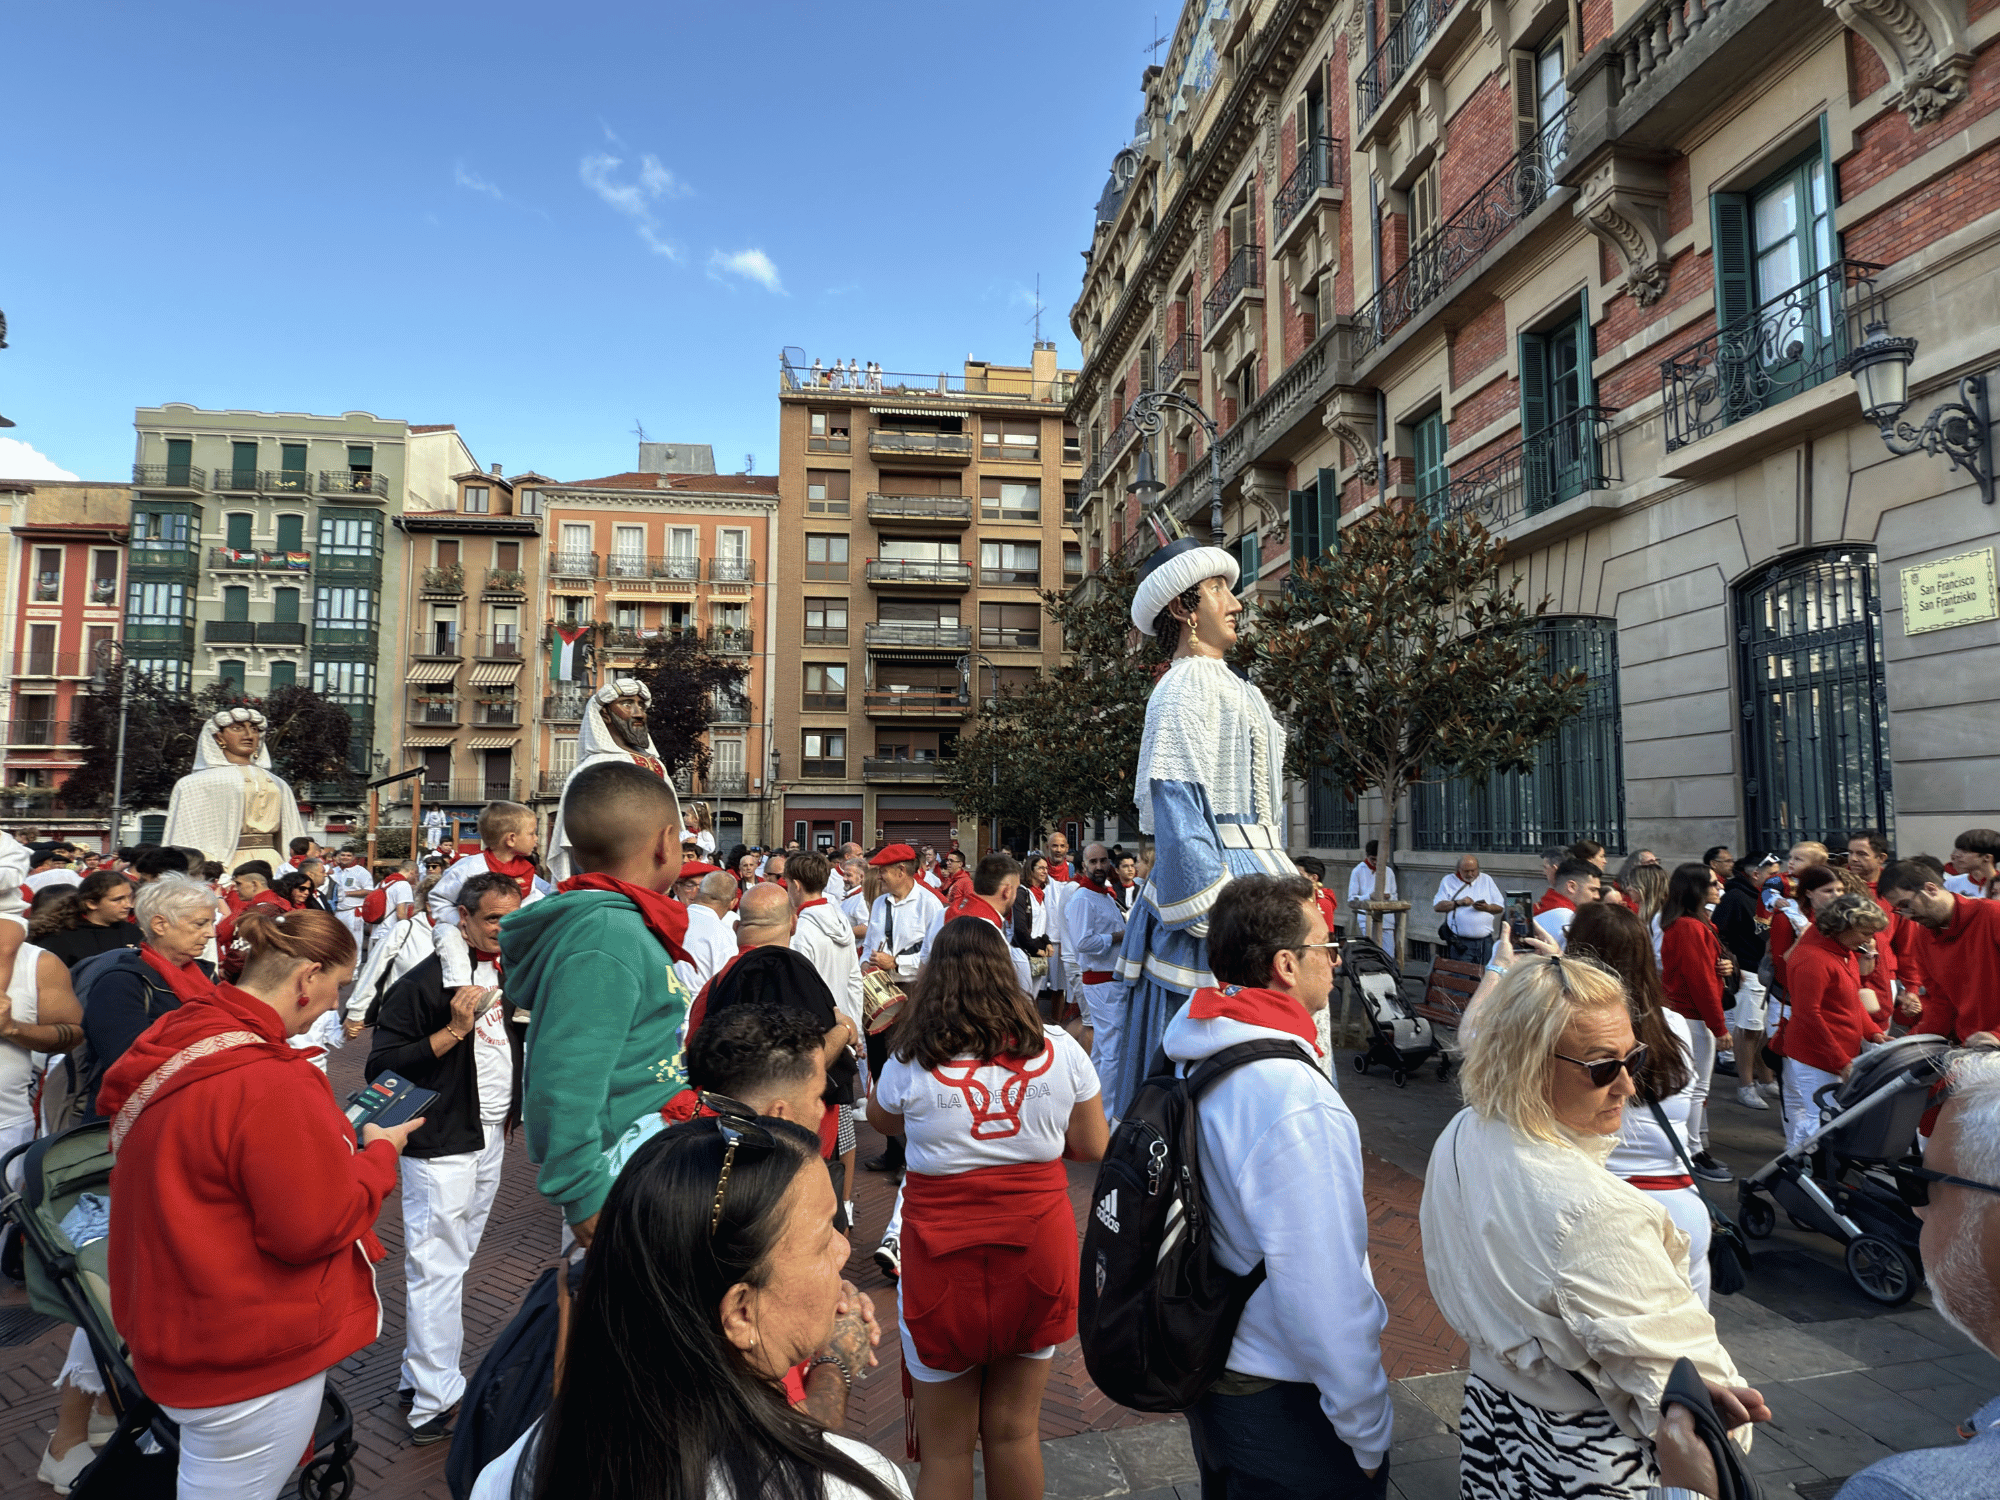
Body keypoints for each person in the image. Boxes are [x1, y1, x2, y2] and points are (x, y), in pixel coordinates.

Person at [99, 904, 418, 1500]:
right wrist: (378, 1157)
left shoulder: (184, 1034)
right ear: (305, 978)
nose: (332, 1004)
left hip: (175, 1322)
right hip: (244, 1350)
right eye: (335, 987)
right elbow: (311, 1228)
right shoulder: (269, 1080)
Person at [1420, 955, 1767, 1499]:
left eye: (1634, 1057)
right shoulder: (1596, 1213)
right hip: (1587, 1462)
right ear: (1527, 1062)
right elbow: (1703, 1407)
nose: (1628, 1085)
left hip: (1493, 1424)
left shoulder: (1466, 1129)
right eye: (1602, 1065)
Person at [469, 1110, 903, 1500]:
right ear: (741, 1313)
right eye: (824, 1235)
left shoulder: (518, 1468)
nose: (844, 1249)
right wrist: (836, 1367)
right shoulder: (857, 1486)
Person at [1160, 873, 1393, 1498]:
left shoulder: (1199, 1043)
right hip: (1282, 1393)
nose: (1336, 959)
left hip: (1218, 1362)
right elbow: (1322, 1286)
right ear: (1287, 965)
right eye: (1327, 946)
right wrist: (1366, 1424)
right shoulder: (1290, 1097)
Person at [868, 918, 1107, 1500]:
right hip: (1036, 1248)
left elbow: (883, 1122)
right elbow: (1092, 1144)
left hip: (939, 1254)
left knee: (946, 1451)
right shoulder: (1060, 1048)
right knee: (1014, 1431)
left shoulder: (909, 1059)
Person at [1103, 528, 1292, 1118]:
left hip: (1258, 878)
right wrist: (1226, 917)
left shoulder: (1240, 689)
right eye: (1219, 591)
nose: (1237, 604)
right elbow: (1180, 813)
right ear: (1185, 608)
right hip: (1218, 894)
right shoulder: (1182, 688)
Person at [506, 761, 693, 1245]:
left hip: (640, 1163)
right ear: (665, 842)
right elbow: (563, 1075)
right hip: (615, 1180)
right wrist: (584, 1195)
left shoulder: (619, 926)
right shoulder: (607, 936)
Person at [365, 871, 523, 1444]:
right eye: (492, 919)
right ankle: (434, 1398)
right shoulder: (425, 983)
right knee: (435, 1265)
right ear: (464, 917)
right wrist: (455, 1030)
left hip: (490, 1137)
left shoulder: (513, 976)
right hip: (440, 1140)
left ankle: (418, 1373)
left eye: (513, 917)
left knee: (454, 1259)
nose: (504, 930)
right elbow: (380, 1067)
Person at [1567, 904, 1709, 1304]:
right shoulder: (1676, 1026)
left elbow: (1477, 1041)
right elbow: (1693, 1121)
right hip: (1682, 1207)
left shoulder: (1568, 1033)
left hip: (1606, 1210)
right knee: (1693, 1351)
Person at [71, 872, 219, 1115]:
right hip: (135, 1118)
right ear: (160, 925)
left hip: (191, 1109)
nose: (211, 933)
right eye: (200, 924)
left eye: (211, 924)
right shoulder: (121, 982)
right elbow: (125, 1062)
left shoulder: (207, 975)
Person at [1770, 894, 1890, 1152]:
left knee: (1827, 1117)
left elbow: (1851, 1001)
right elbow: (1808, 1015)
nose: (1869, 939)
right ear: (1842, 927)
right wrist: (1840, 1061)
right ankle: (1807, 1170)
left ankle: (1812, 1167)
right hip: (1816, 1053)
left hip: (1833, 1051)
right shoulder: (1812, 958)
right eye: (1865, 932)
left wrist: (1874, 1034)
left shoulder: (1842, 951)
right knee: (1819, 1118)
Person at [788, 851, 865, 1217]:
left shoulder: (802, 932)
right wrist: (855, 1031)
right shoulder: (839, 917)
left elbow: (803, 994)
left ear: (796, 884)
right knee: (845, 1124)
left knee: (814, 1130)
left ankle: (817, 1207)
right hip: (844, 1034)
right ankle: (845, 1204)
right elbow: (854, 979)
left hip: (819, 1039)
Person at [545, 678, 673, 880]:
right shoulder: (595, 766)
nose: (639, 713)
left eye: (641, 705)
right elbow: (581, 839)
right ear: (605, 714)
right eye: (627, 704)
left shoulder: (656, 765)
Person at [1658, 862, 1735, 1182]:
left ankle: (1692, 1148)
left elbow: (1705, 971)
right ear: (1696, 890)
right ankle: (1691, 1152)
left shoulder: (1693, 923)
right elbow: (1699, 981)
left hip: (1691, 1015)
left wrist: (1724, 966)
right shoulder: (1690, 926)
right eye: (1714, 884)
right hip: (1692, 1018)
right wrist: (1719, 1027)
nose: (1719, 888)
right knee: (1694, 1088)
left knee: (1695, 1088)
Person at [162, 707, 308, 873]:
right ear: (219, 737)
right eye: (237, 728)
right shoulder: (193, 784)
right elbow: (186, 837)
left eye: (254, 729)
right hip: (226, 865)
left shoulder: (279, 783)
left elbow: (291, 834)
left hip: (274, 863)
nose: (248, 735)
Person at [1877, 859, 2000, 1044]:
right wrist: (1904, 1044)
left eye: (1907, 905)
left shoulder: (1992, 915)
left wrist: (1997, 1034)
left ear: (1931, 889)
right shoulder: (1923, 938)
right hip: (1975, 1046)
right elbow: (1941, 1005)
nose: (1908, 916)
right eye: (1900, 911)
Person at [1713, 851, 1779, 1111]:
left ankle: (1765, 1079)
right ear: (1756, 874)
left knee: (1763, 1030)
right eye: (1773, 874)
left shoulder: (1771, 898)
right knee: (1748, 1029)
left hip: (1767, 972)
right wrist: (1734, 965)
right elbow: (1721, 934)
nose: (1778, 879)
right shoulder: (1735, 898)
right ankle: (1746, 1085)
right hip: (1748, 970)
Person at [921, 851, 1033, 1000]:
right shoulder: (992, 932)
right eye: (1016, 889)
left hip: (935, 1007)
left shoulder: (941, 915)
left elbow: (923, 968)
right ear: (1007, 891)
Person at [1061, 843, 1126, 1056]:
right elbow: (1083, 943)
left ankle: (1100, 1088)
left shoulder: (1104, 895)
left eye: (1103, 861)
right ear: (1083, 866)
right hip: (1100, 983)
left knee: (1104, 1048)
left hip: (1110, 981)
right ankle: (1108, 1090)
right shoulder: (1082, 898)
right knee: (1112, 1050)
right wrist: (1118, 937)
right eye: (1093, 861)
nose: (1099, 866)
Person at [29, 869, 137, 969]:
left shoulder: (133, 931)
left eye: (130, 897)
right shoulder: (60, 939)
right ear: (91, 903)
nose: (128, 905)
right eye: (118, 899)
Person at [1435, 853, 1504, 966]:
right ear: (1458, 869)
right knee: (1462, 978)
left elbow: (1500, 907)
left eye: (1473, 870)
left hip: (1485, 943)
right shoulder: (1448, 881)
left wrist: (1487, 907)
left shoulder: (1486, 880)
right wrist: (1458, 903)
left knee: (1484, 978)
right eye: (1466, 871)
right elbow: (1437, 906)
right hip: (1461, 943)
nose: (1470, 874)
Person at [1535, 858, 1602, 949]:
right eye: (1593, 890)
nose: (1597, 896)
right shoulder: (1568, 920)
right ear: (1571, 887)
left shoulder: (1541, 909)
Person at [1346, 840, 1399, 949]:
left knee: (1389, 954)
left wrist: (1389, 897)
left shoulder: (1389, 871)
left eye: (1378, 859)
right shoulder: (1358, 871)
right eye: (1373, 859)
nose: (1375, 862)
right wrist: (1369, 896)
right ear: (1367, 856)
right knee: (1372, 952)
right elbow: (1352, 899)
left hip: (1387, 919)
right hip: (1367, 919)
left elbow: (1395, 896)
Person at [1945, 827, 1999, 899]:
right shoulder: (1951, 883)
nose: (1957, 855)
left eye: (1965, 851)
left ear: (1987, 857)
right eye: (1958, 850)